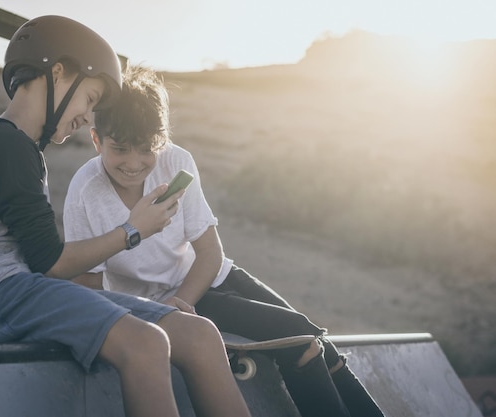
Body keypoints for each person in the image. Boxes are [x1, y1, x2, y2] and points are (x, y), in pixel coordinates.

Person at [0, 16, 251, 417]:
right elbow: (49, 263)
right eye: (90, 98)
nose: (87, 116)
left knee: (199, 335)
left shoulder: (23, 150)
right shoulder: (4, 142)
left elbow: (45, 266)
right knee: (145, 343)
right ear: (59, 72)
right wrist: (133, 230)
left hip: (23, 290)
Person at [63, 64, 387, 417]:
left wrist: (182, 299)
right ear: (96, 140)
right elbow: (88, 283)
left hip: (206, 280)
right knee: (300, 339)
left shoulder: (176, 162)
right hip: (161, 303)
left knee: (316, 341)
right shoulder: (85, 191)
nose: (134, 162)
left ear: (160, 139)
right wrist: (158, 314)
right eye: (119, 149)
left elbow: (210, 252)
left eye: (146, 148)